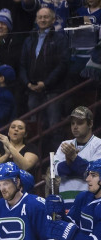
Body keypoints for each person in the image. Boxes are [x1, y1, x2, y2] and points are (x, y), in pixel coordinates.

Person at [19, 7, 69, 143]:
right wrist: (28, 83)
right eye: (40, 17)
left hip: (53, 90)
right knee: (34, 127)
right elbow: (22, 65)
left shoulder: (60, 38)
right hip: (33, 90)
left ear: (53, 20)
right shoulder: (29, 39)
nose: (42, 20)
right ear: (36, 20)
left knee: (54, 126)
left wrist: (46, 83)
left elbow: (63, 64)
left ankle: (54, 161)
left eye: (46, 17)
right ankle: (36, 160)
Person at [62, 160, 101, 240]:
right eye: (88, 174)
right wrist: (59, 215)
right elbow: (69, 223)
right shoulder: (83, 198)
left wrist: (70, 233)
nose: (88, 179)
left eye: (94, 175)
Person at [54, 106, 101, 207]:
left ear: (90, 124)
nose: (75, 126)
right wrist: (70, 162)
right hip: (65, 201)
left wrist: (73, 158)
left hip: (90, 202)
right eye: (72, 123)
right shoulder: (65, 144)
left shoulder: (98, 145)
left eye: (80, 123)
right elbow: (56, 171)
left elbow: (93, 174)